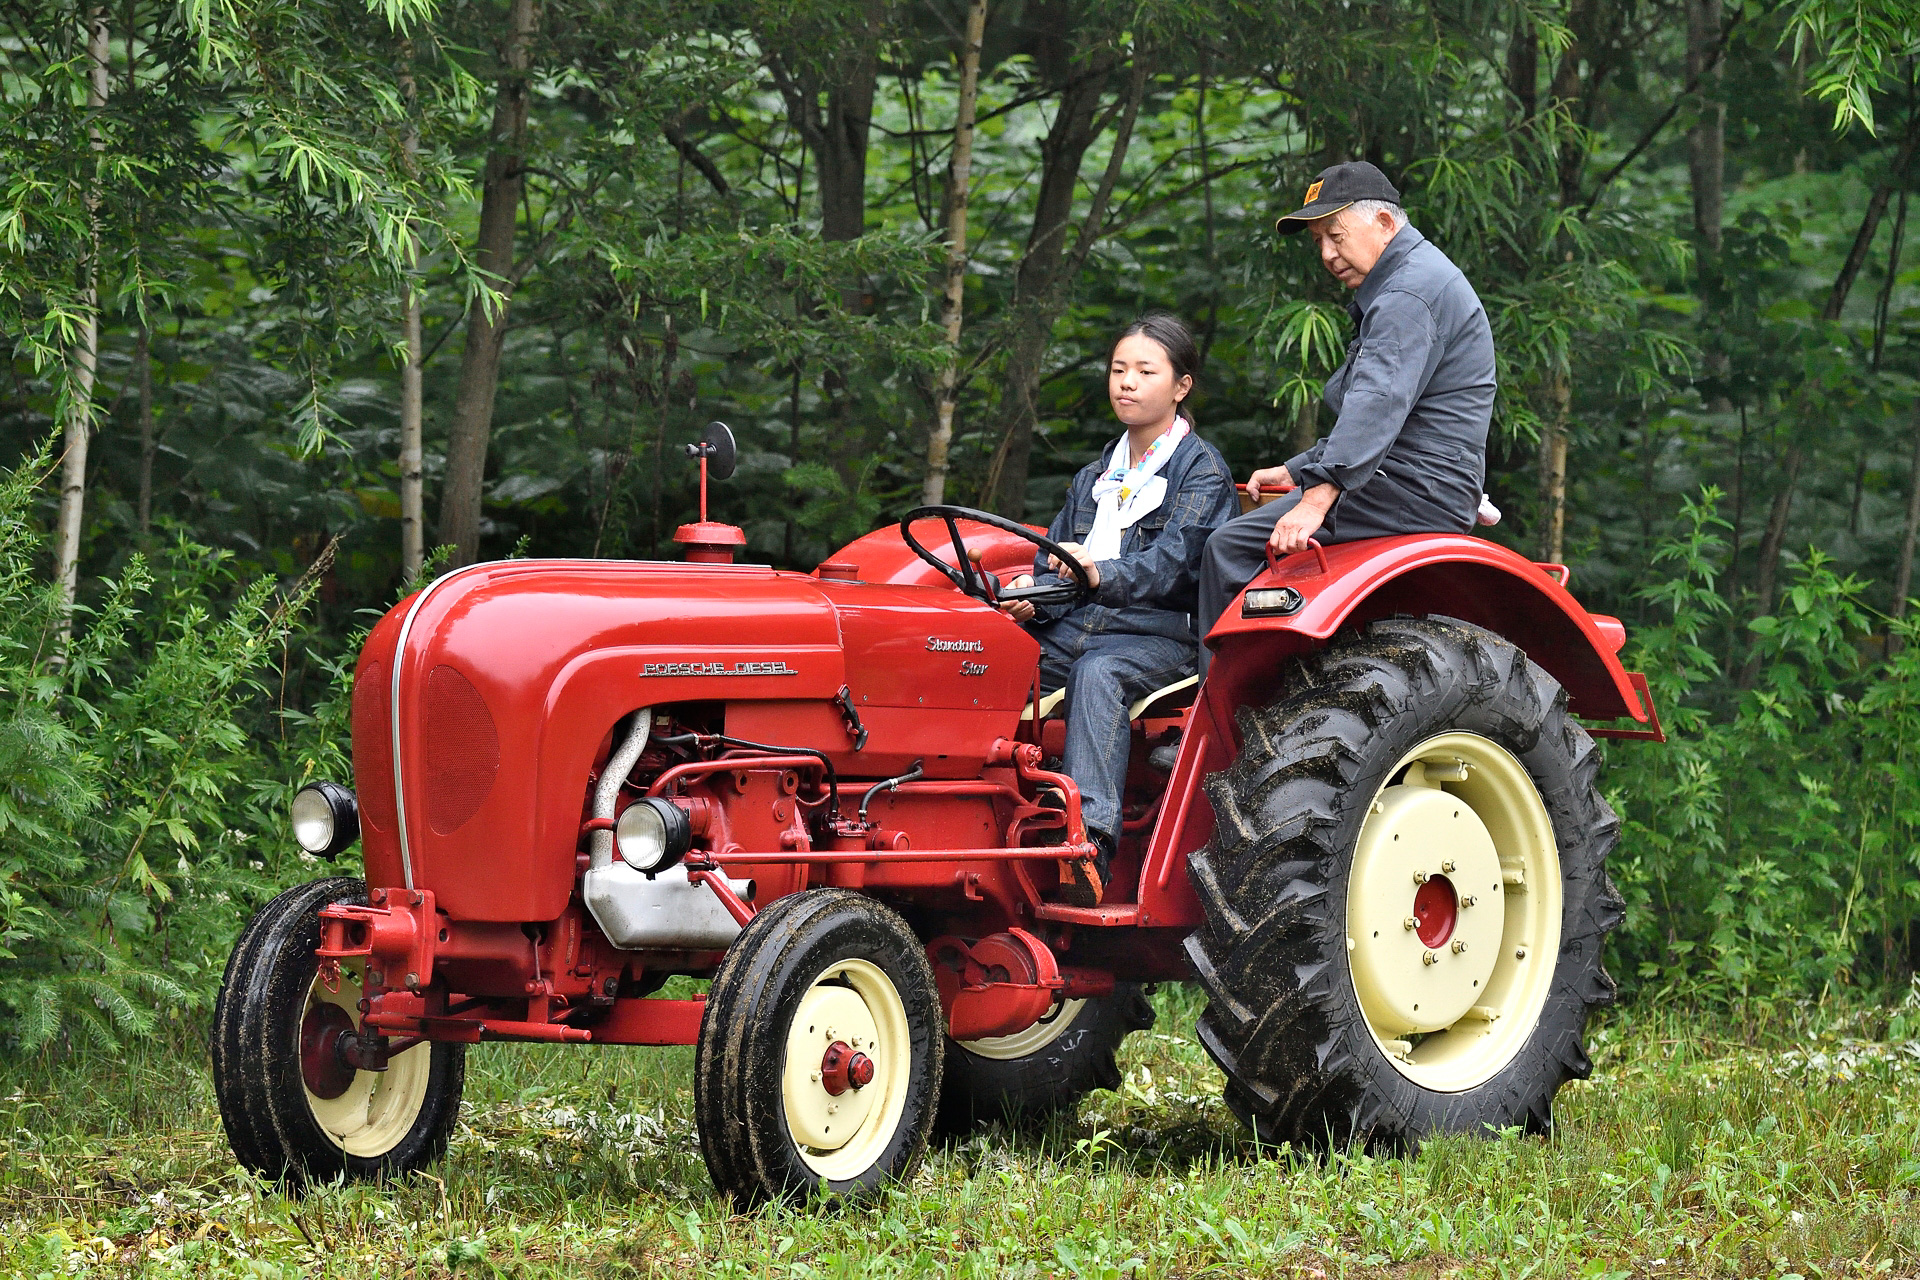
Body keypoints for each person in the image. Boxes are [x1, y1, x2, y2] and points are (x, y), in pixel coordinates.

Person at [1196, 160, 1497, 675]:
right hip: (1408, 476)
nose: (1328, 254)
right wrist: (1298, 470)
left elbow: (1377, 404)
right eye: (1318, 241)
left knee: (1228, 549)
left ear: (1385, 223)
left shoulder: (1406, 293)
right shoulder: (1411, 278)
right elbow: (1389, 417)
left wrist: (1315, 498)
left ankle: (1222, 729)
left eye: (1335, 234)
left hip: (1416, 487)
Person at [999, 313, 1238, 904]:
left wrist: (1096, 572)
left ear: (1181, 386)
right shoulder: (1094, 476)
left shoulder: (1200, 470)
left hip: (1164, 635)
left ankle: (1089, 846)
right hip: (1080, 625)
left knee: (1099, 673)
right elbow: (1050, 560)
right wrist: (1031, 604)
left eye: (1144, 371)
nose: (1126, 382)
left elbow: (1175, 565)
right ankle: (976, 823)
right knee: (986, 658)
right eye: (1117, 370)